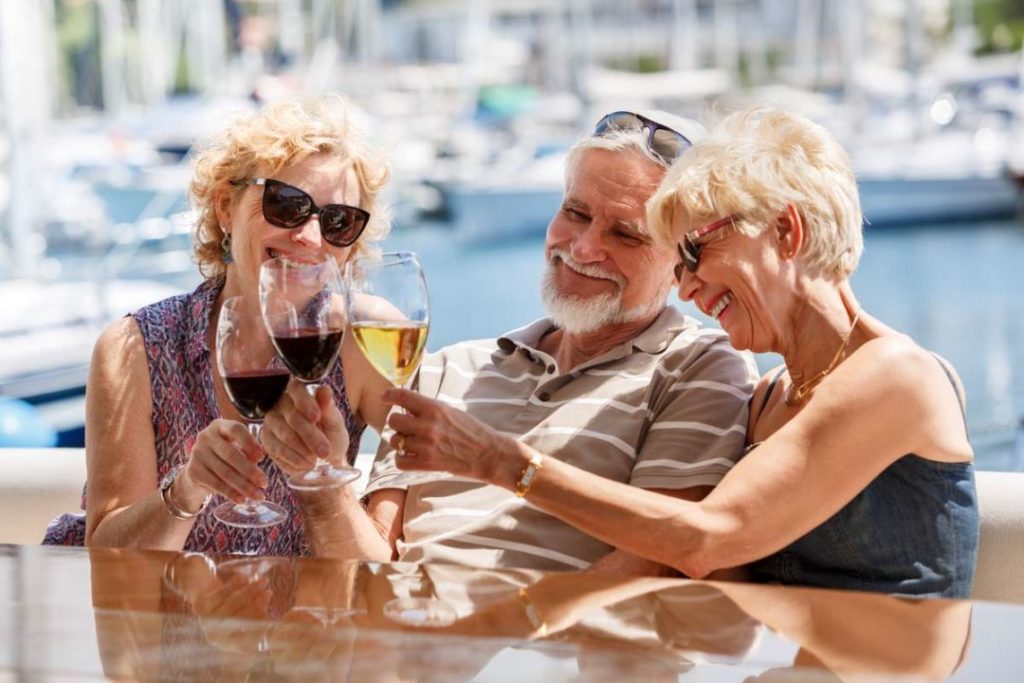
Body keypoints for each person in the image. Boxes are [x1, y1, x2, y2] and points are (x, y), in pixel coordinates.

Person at [382, 107, 979, 597]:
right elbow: (716, 572)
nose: (687, 288)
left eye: (694, 253)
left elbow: (704, 540)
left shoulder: (898, 375)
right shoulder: (768, 400)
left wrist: (501, 462)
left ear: (786, 231)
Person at [263, 110, 759, 575]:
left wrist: (485, 630)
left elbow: (655, 564)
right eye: (576, 212)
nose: (585, 247)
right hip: (402, 632)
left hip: (540, 638)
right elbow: (373, 568)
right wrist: (322, 479)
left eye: (627, 235)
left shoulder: (698, 368)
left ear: (682, 266)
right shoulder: (447, 369)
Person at [44, 95, 395, 555]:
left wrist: (323, 488)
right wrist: (186, 489)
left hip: (298, 607)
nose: (310, 237)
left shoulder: (364, 340)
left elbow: (384, 571)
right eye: (287, 204)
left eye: (339, 221)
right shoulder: (136, 348)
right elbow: (109, 559)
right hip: (158, 604)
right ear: (226, 207)